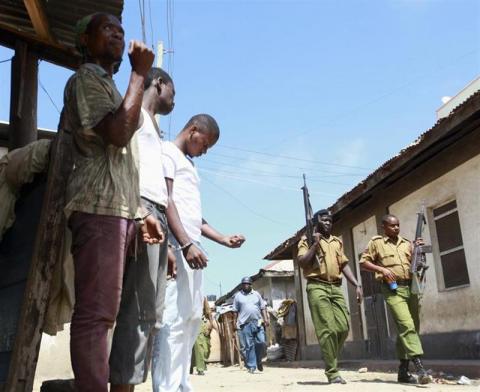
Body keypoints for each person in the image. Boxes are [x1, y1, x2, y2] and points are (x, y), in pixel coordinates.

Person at [62, 13, 161, 391]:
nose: (117, 33)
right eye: (106, 29)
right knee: (97, 314)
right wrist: (139, 74)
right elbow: (118, 136)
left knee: (109, 313)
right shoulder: (86, 79)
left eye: (119, 29)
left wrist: (139, 212)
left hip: (116, 209)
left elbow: (120, 162)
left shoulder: (111, 88)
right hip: (97, 207)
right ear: (85, 41)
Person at [151, 114, 245, 392]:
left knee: (192, 318)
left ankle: (182, 384)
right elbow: (165, 200)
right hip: (176, 247)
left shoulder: (188, 164)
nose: (205, 151)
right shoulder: (167, 152)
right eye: (205, 144)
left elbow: (195, 217)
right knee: (173, 320)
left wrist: (223, 238)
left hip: (191, 248)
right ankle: (165, 387)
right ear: (194, 130)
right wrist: (184, 244)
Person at [109, 67, 175, 391]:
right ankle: (122, 385)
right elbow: (119, 161)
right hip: (143, 210)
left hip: (156, 215)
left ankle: (128, 384)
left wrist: (172, 246)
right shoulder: (135, 113)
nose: (174, 100)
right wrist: (137, 210)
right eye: (172, 92)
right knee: (137, 310)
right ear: (159, 84)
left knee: (149, 313)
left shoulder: (153, 126)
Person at [360, 214, 430, 385]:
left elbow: (419, 265)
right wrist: (381, 270)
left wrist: (418, 251)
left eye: (398, 225)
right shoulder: (377, 243)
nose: (396, 228)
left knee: (409, 328)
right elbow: (363, 262)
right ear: (384, 227)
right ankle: (420, 368)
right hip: (393, 289)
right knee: (407, 325)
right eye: (392, 226)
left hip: (411, 287)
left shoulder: (407, 243)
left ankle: (403, 371)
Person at [296, 209, 363, 384]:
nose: (328, 223)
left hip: (335, 287)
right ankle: (332, 371)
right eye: (324, 220)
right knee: (328, 329)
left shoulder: (336, 241)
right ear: (316, 222)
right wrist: (314, 245)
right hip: (317, 286)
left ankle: (330, 356)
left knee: (342, 327)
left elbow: (344, 264)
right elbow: (303, 263)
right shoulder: (306, 240)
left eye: (330, 221)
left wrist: (356, 284)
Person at [233, 277, 269, 374]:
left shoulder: (256, 294)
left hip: (257, 322)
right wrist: (234, 322)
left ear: (250, 285)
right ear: (242, 285)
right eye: (244, 284)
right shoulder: (238, 296)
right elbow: (235, 311)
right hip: (245, 324)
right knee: (249, 346)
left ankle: (258, 360)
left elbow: (262, 307)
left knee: (261, 342)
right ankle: (252, 366)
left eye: (247, 284)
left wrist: (265, 319)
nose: (246, 285)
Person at [191, 297, 217, 376]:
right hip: (193, 324)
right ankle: (200, 369)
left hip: (203, 324)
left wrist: (211, 325)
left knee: (206, 349)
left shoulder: (202, 297)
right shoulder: (187, 296)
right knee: (198, 348)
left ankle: (192, 366)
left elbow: (208, 313)